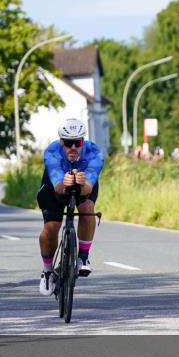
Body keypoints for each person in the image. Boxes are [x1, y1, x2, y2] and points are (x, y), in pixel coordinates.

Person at [36, 118, 104, 296]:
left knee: (88, 209)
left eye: (77, 142)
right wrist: (63, 183)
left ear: (83, 141)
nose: (73, 147)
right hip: (55, 185)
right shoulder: (52, 152)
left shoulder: (94, 152)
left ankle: (83, 258)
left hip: (84, 182)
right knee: (51, 227)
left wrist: (82, 183)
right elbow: (58, 187)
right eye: (68, 143)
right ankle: (48, 270)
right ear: (61, 142)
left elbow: (89, 187)